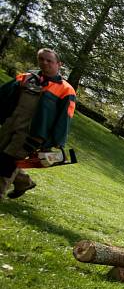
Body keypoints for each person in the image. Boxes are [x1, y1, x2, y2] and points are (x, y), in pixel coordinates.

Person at [0, 48, 76, 199]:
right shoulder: (26, 78)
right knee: (2, 157)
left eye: (49, 60)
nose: (45, 63)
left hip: (32, 135)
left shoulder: (66, 90)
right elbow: (3, 95)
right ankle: (24, 182)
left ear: (58, 64)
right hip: (11, 125)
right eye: (41, 59)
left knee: (8, 162)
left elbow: (65, 117)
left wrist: (56, 142)